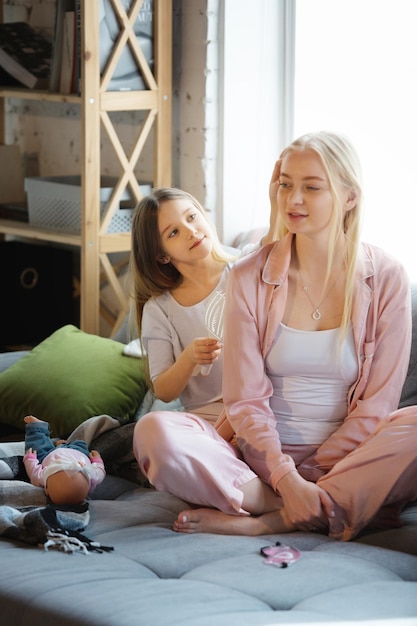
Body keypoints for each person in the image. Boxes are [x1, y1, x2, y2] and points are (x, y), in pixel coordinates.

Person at [133, 130, 417, 542]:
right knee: (154, 431)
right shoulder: (249, 276)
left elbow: (378, 403)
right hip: (258, 459)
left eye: (311, 187)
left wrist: (314, 474)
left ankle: (272, 520)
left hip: (352, 456)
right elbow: (245, 401)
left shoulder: (388, 277)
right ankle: (329, 505)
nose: (293, 199)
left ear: (350, 197)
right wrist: (286, 478)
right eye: (285, 185)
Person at [130, 187, 276, 425]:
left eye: (191, 217)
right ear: (161, 256)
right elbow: (164, 391)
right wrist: (189, 357)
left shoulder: (244, 265)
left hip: (260, 405)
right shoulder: (159, 310)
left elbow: (276, 241)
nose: (190, 231)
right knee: (150, 426)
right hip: (205, 416)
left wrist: (277, 196)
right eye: (174, 232)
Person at [23, 415, 106, 505]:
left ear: (46, 489)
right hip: (77, 451)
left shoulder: (43, 478)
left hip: (48, 455)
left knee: (36, 447)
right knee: (81, 443)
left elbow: (33, 471)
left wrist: (30, 459)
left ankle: (37, 426)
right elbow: (100, 470)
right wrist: (97, 460)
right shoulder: (92, 476)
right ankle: (66, 444)